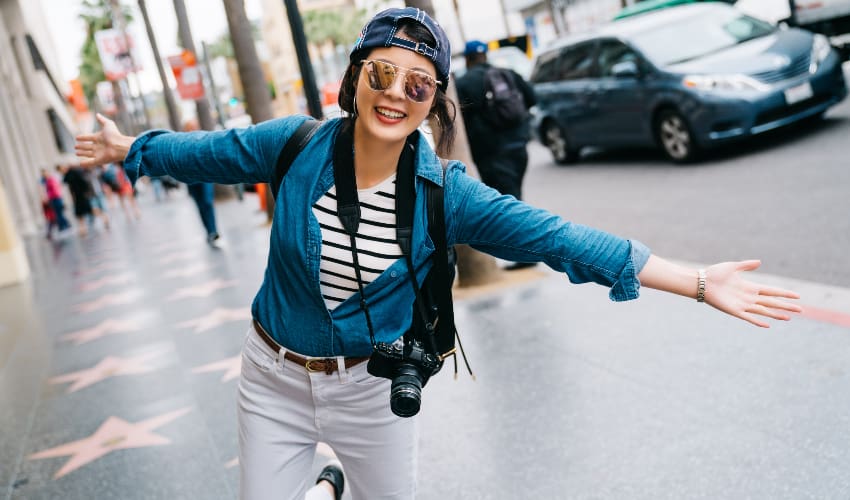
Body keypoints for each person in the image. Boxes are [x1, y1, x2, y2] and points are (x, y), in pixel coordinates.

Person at [75, 8, 802, 500]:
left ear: (434, 100)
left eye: (417, 84)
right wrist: (128, 149)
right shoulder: (294, 146)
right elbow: (208, 153)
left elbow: (557, 237)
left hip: (373, 394)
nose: (395, 94)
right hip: (272, 379)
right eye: (381, 75)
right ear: (355, 77)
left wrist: (698, 282)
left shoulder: (443, 192)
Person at [456, 39, 538, 270]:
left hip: (492, 153)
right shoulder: (507, 74)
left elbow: (457, 118)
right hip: (519, 147)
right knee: (514, 198)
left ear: (469, 59)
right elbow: (532, 98)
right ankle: (525, 253)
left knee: (509, 204)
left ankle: (527, 255)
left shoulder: (465, 83)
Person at [182, 118, 223, 247]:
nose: (192, 129)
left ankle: (213, 230)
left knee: (207, 202)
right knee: (200, 206)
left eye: (194, 126)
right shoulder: (182, 143)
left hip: (205, 178)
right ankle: (209, 231)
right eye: (189, 127)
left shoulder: (203, 139)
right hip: (192, 180)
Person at [40, 168, 70, 235]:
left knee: (58, 213)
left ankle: (63, 226)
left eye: (44, 172)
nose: (44, 174)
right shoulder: (47, 180)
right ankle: (65, 225)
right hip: (55, 198)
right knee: (58, 213)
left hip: (55, 198)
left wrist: (49, 197)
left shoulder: (50, 180)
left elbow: (55, 190)